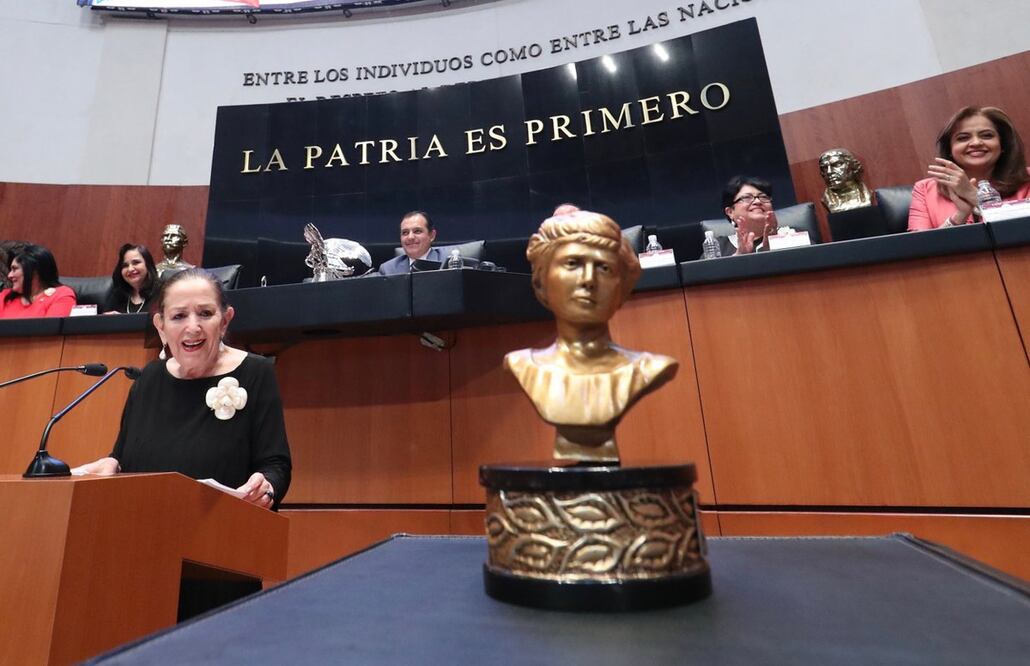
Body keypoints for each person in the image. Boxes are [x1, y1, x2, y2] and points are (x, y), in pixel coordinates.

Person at [73, 268, 292, 508]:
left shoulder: (255, 372)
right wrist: (111, 464)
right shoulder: (148, 378)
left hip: (222, 530)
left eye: (205, 313)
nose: (193, 327)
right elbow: (124, 457)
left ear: (225, 320)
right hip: (142, 524)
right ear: (161, 325)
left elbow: (275, 465)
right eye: (178, 316)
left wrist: (267, 487)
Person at [504, 211, 678, 463]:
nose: (588, 280)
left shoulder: (650, 369)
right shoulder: (522, 366)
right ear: (542, 280)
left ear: (621, 288)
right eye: (573, 264)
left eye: (604, 268)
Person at [909, 106, 1030, 230]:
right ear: (950, 149)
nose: (976, 143)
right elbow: (917, 247)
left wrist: (974, 196)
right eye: (963, 138)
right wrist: (958, 218)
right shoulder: (924, 190)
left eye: (987, 136)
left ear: (1003, 144)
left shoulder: (1028, 179)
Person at [0, 244, 77, 318]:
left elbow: (50, 330)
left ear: (34, 271)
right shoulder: (4, 296)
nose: (9, 275)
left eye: (15, 269)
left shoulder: (60, 295)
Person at [718, 176, 779, 256]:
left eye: (763, 197)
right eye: (747, 197)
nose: (757, 201)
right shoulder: (718, 247)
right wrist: (738, 259)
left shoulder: (793, 235)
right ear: (730, 212)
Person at [377, 211, 446, 275]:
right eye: (405, 232)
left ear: (432, 235)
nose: (410, 237)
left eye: (417, 231)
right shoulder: (388, 270)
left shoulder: (448, 263)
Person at [102, 243, 159, 314]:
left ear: (148, 265)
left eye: (136, 263)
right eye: (125, 265)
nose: (130, 269)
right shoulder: (117, 294)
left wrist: (123, 321)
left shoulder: (162, 293)